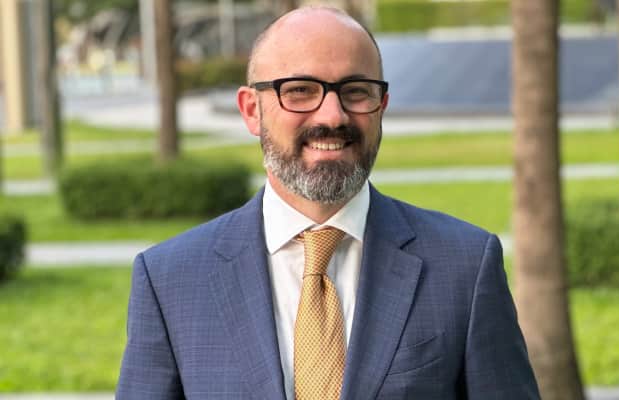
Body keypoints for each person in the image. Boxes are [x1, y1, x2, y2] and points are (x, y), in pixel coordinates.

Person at [116, 6, 540, 400]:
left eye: (356, 91)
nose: (333, 115)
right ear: (251, 110)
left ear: (381, 107)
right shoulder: (170, 280)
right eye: (300, 90)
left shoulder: (465, 266)